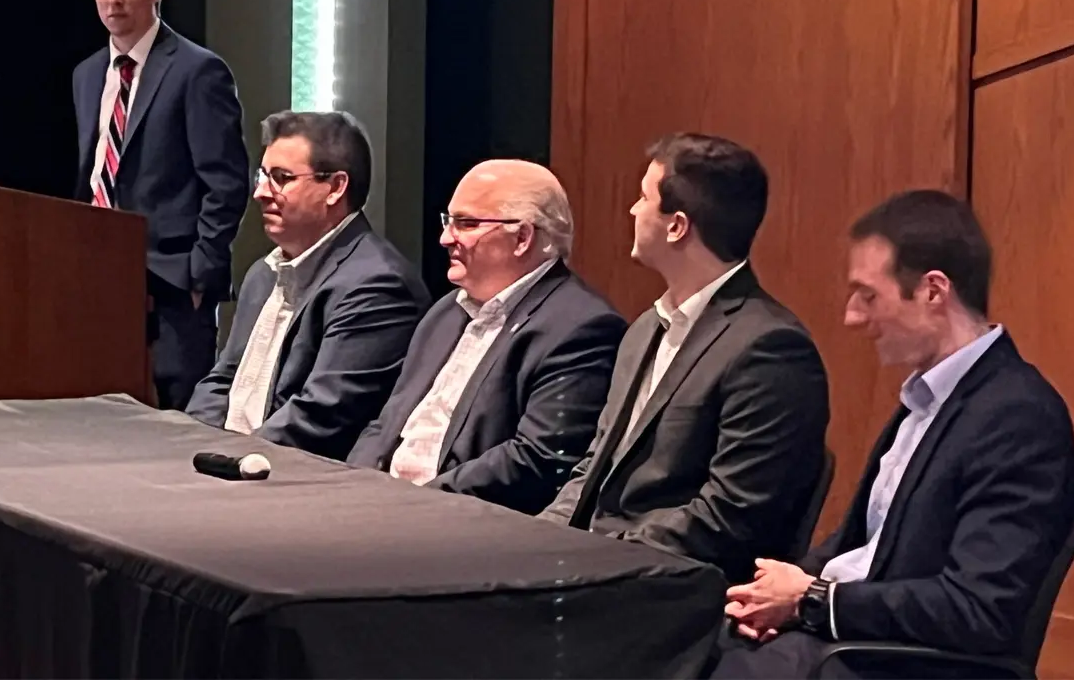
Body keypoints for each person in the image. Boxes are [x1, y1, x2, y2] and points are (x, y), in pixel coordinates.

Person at [708, 190, 1074, 679]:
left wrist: (813, 601)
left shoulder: (1019, 418)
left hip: (904, 662)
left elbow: (980, 609)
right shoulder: (927, 400)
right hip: (855, 638)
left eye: (868, 295)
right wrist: (777, 594)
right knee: (684, 634)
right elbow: (859, 547)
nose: (851, 316)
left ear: (933, 291)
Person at [538, 133, 830, 585]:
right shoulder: (643, 329)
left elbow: (730, 517)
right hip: (596, 572)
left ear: (677, 225)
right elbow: (592, 467)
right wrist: (538, 541)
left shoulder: (771, 348)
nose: (633, 211)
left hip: (670, 588)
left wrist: (593, 557)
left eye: (642, 198)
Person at [346, 160, 626, 514]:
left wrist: (414, 503)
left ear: (522, 237)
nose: (446, 238)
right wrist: (354, 487)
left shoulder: (581, 327)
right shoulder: (445, 312)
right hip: (388, 508)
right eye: (449, 221)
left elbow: (538, 460)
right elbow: (385, 425)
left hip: (465, 527)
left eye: (466, 223)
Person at [185, 111, 430, 460]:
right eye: (262, 175)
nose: (259, 193)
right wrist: (195, 448)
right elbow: (222, 380)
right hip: (231, 461)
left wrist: (227, 459)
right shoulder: (263, 273)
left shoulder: (378, 286)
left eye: (280, 178)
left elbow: (318, 417)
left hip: (293, 480)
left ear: (335, 187)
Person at [73, 0, 250, 410]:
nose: (113, 0)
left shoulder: (197, 70)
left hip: (172, 281)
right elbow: (95, 172)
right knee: (100, 409)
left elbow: (226, 182)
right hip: (98, 273)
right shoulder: (88, 73)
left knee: (176, 413)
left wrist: (200, 273)